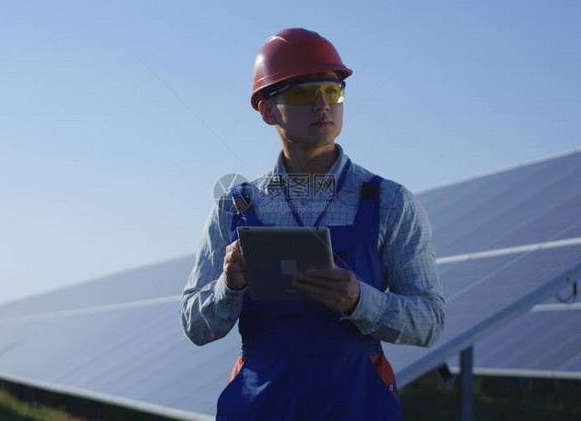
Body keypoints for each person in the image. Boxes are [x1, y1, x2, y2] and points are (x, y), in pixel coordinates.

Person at [180, 28, 445, 420]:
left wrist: (360, 301)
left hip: (357, 406)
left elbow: (430, 322)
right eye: (304, 92)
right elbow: (195, 325)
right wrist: (229, 286)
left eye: (333, 90)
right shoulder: (234, 208)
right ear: (268, 110)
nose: (323, 104)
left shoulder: (389, 203)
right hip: (259, 407)